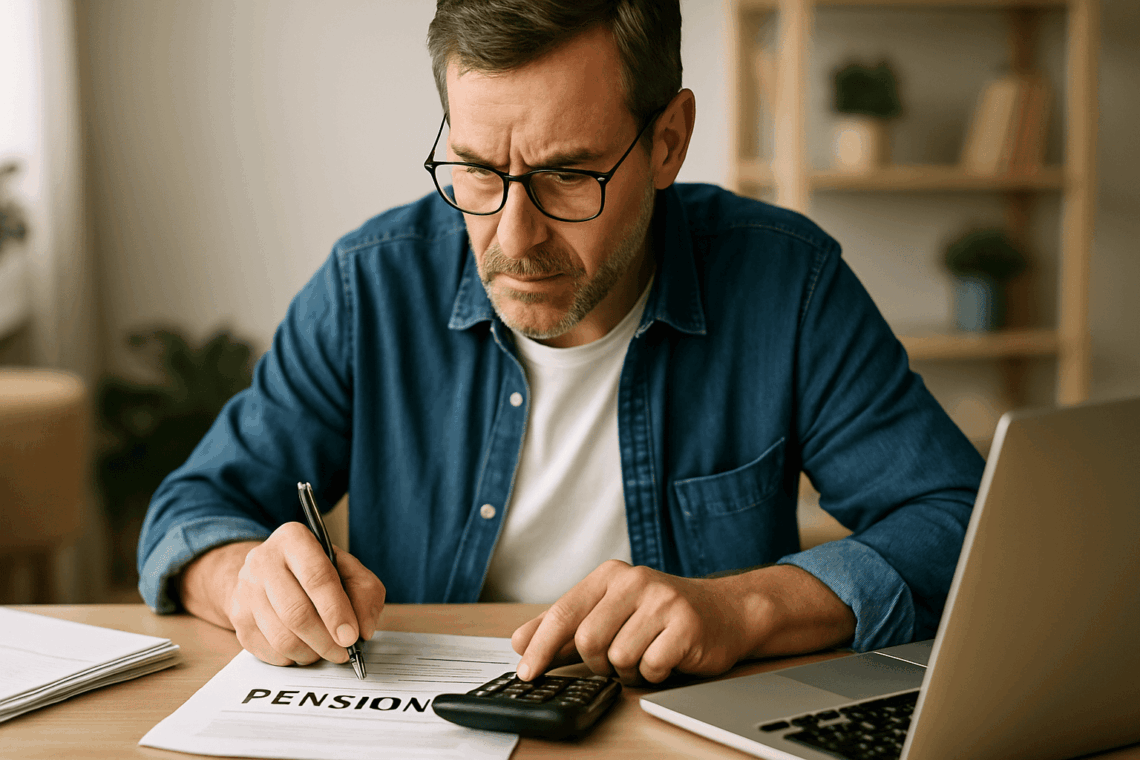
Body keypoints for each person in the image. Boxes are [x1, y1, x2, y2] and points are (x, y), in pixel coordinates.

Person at [138, 0, 984, 686]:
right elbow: (192, 513)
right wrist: (246, 577)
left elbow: (959, 525)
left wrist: (746, 608)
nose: (513, 237)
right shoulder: (373, 285)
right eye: (477, 169)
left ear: (667, 142)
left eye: (567, 175)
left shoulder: (786, 284)